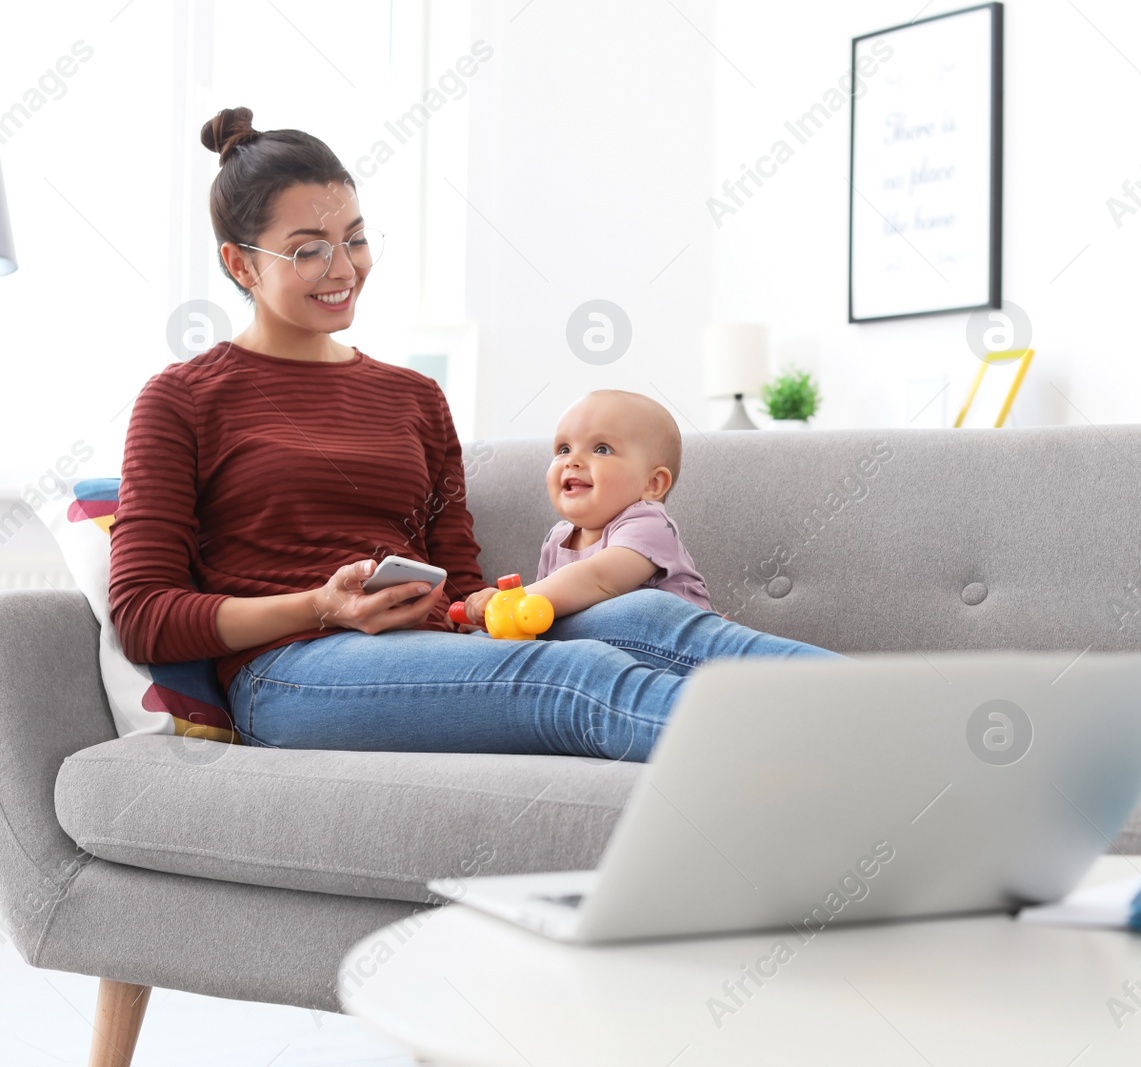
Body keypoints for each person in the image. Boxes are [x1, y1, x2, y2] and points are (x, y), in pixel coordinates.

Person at [107, 106, 837, 761]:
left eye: (355, 240)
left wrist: (475, 607)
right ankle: (861, 760)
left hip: (430, 645)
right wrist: (321, 606)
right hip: (290, 672)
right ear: (239, 263)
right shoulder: (182, 399)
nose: (343, 269)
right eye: (307, 250)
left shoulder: (415, 396)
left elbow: (457, 573)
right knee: (579, 677)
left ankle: (901, 713)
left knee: (648, 613)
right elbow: (144, 616)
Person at [459, 389, 710, 627]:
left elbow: (599, 580)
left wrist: (512, 601)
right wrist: (488, 622)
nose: (572, 461)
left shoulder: (650, 523)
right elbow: (542, 611)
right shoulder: (557, 538)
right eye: (563, 449)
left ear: (652, 484)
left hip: (677, 647)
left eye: (602, 449)